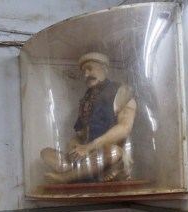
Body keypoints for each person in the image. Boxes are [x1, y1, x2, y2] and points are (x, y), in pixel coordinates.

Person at [41, 52, 137, 183]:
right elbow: (80, 134)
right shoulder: (86, 99)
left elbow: (124, 128)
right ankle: (85, 172)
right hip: (88, 155)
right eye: (83, 72)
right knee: (46, 154)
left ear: (104, 68)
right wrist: (75, 144)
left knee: (112, 152)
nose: (86, 75)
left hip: (109, 154)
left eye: (89, 68)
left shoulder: (121, 91)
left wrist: (88, 148)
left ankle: (67, 177)